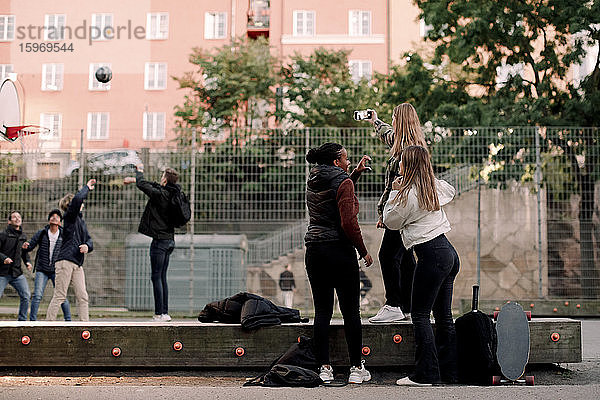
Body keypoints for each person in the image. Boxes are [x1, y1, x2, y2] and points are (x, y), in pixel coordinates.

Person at [383, 145, 459, 385]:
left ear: (408, 166)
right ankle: (449, 373)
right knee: (444, 316)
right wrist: (425, 175)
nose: (399, 166)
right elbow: (451, 190)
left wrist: (394, 192)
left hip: (431, 255)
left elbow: (390, 221)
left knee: (420, 315)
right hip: (448, 253)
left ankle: (425, 374)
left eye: (403, 162)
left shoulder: (409, 195)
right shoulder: (433, 187)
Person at [304, 142, 374, 385]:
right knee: (350, 311)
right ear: (336, 162)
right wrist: (363, 251)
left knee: (322, 311)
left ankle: (324, 368)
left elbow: (333, 195)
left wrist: (354, 174)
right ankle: (356, 367)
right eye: (345, 159)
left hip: (314, 250)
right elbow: (348, 223)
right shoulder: (343, 182)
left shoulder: (313, 180)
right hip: (339, 252)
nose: (347, 162)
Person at [366, 104, 427, 323]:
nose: (391, 121)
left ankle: (393, 304)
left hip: (403, 212)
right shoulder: (405, 143)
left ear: (400, 121)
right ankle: (408, 306)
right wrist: (375, 120)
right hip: (401, 211)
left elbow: (403, 185)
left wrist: (389, 214)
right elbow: (389, 135)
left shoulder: (410, 151)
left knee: (388, 255)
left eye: (393, 118)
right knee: (406, 258)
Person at [124, 164, 180, 322]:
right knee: (162, 277)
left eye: (162, 176)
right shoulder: (172, 193)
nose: (160, 178)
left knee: (156, 276)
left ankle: (158, 314)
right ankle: (165, 313)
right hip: (170, 240)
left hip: (160, 242)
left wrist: (139, 171)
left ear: (165, 180)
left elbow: (144, 185)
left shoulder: (161, 195)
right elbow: (152, 185)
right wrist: (134, 179)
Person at [46, 179, 95, 322]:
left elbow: (89, 239)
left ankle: (84, 325)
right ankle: (48, 325)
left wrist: (87, 246)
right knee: (60, 295)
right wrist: (87, 187)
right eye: (79, 203)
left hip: (77, 264)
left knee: (83, 296)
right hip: (65, 261)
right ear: (71, 205)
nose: (82, 204)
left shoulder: (81, 222)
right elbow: (78, 199)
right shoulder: (70, 217)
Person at [23, 209, 71, 321]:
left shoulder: (64, 234)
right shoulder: (42, 233)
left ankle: (68, 320)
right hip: (42, 269)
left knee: (61, 296)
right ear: (49, 220)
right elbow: (31, 244)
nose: (54, 218)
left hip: (57, 270)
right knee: (37, 295)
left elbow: (70, 247)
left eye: (57, 217)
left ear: (60, 221)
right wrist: (27, 245)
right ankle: (33, 321)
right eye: (52, 216)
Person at [0, 211, 32, 321]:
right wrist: (4, 258)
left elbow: (24, 252)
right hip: (2, 273)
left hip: (17, 273)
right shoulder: (3, 235)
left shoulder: (23, 236)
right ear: (9, 221)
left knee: (26, 295)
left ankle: (22, 321)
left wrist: (27, 261)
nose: (17, 219)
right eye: (14, 217)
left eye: (19, 217)